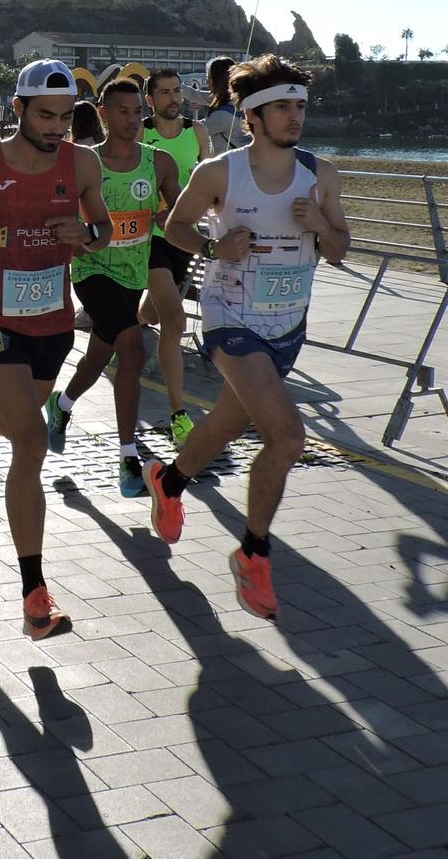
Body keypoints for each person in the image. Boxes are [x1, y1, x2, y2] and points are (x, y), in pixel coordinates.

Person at [146, 55, 351, 621]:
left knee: (227, 424)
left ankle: (169, 480)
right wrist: (214, 248)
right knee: (287, 438)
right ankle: (253, 553)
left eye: (300, 106)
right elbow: (174, 227)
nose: (294, 117)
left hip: (288, 324)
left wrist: (320, 227)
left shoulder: (321, 174)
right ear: (252, 115)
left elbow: (340, 249)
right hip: (230, 318)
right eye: (282, 106)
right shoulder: (220, 174)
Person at [0, 59, 112, 639]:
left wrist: (88, 236)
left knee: (14, 423)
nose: (58, 126)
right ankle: (34, 594)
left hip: (52, 322)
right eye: (46, 115)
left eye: (66, 116)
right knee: (31, 439)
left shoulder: (82, 162)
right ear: (19, 110)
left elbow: (104, 227)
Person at [43, 78, 179, 495]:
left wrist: (168, 216)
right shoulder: (85, 163)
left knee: (100, 354)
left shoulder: (159, 163)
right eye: (123, 111)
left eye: (138, 111)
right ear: (102, 113)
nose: (133, 119)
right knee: (133, 349)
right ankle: (128, 459)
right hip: (91, 268)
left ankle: (61, 405)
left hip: (132, 273)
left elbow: (180, 207)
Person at [139, 67, 211, 445]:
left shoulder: (196, 133)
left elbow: (207, 181)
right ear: (150, 100)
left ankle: (135, 322)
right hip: (149, 236)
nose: (173, 98)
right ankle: (179, 413)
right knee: (174, 318)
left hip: (183, 235)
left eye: (176, 91)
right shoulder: (141, 133)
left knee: (152, 312)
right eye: (164, 92)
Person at [201, 56, 241, 154]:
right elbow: (196, 94)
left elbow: (195, 131)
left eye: (208, 78)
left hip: (228, 167)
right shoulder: (239, 103)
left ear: (219, 80)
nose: (206, 82)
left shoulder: (222, 116)